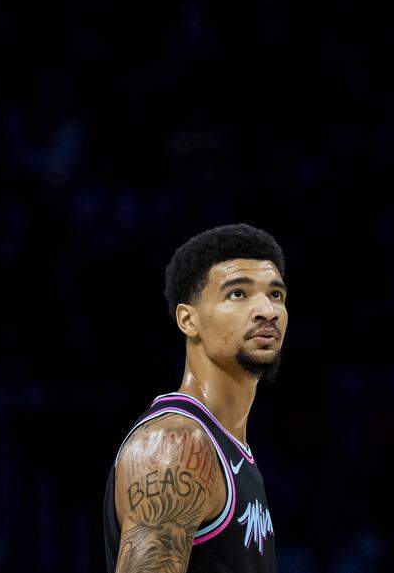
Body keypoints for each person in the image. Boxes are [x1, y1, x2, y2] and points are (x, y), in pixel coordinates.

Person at [103, 223, 289, 573]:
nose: (267, 310)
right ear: (188, 320)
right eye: (238, 294)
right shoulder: (175, 446)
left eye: (276, 295)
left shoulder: (229, 447)